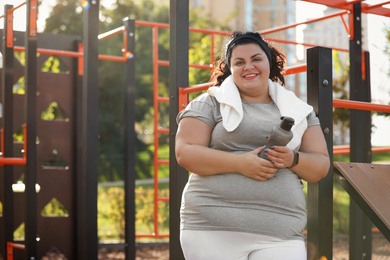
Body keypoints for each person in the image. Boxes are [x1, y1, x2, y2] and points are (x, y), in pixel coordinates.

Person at [175, 31, 330, 260]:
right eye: (239, 62)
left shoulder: (299, 110)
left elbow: (320, 165)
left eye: (256, 59)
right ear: (230, 68)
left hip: (281, 231)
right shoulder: (210, 102)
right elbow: (185, 152)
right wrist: (240, 163)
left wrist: (293, 159)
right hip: (212, 226)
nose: (249, 67)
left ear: (269, 62)